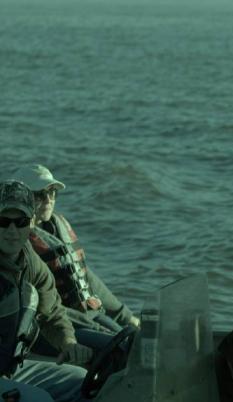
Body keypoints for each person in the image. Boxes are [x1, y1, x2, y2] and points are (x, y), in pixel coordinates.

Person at [10, 164, 139, 339]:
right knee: (120, 346)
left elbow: (85, 278)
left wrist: (126, 316)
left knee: (134, 336)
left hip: (88, 315)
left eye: (52, 192)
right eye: (40, 194)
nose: (48, 200)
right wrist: (94, 326)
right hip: (56, 326)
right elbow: (43, 306)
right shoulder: (16, 241)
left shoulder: (56, 226)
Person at [0, 180, 95, 402]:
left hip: (9, 367)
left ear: (31, 223)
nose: (12, 231)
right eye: (3, 221)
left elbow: (51, 313)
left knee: (80, 381)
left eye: (20, 221)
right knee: (39, 399)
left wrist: (68, 343)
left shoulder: (31, 262)